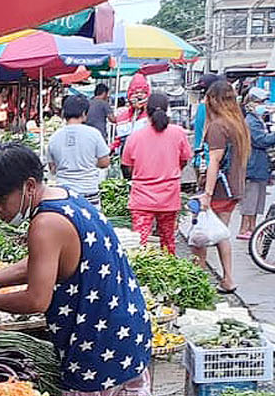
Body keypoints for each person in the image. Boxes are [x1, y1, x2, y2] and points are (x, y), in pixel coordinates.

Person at [0, 144, 152, 396]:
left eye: (0, 200)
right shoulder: (64, 196)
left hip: (97, 350)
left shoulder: (45, 223)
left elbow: (37, 300)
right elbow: (42, 264)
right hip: (127, 334)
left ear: (28, 186)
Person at [193, 79, 249, 293]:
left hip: (219, 189)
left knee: (200, 236)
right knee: (221, 233)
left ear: (212, 100)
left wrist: (206, 194)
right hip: (234, 187)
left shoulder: (218, 126)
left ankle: (198, 282)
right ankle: (227, 279)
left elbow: (214, 161)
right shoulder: (237, 123)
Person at [121, 92, 191, 255]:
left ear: (146, 110)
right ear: (167, 110)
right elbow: (184, 159)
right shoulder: (178, 133)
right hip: (169, 196)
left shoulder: (135, 136)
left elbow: (126, 166)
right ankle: (170, 274)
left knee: (139, 244)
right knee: (168, 242)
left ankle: (138, 277)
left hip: (142, 198)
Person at [47, 95, 112, 205]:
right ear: (83, 113)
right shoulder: (94, 134)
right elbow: (105, 162)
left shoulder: (54, 137)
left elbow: (52, 169)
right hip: (89, 193)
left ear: (63, 113)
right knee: (90, 221)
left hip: (64, 195)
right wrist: (90, 162)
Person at [239, 86, 275, 242]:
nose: (264, 104)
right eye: (261, 102)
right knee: (251, 199)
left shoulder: (257, 120)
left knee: (257, 200)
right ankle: (244, 228)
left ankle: (253, 228)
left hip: (258, 166)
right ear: (252, 103)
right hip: (253, 165)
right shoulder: (251, 121)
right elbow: (260, 140)